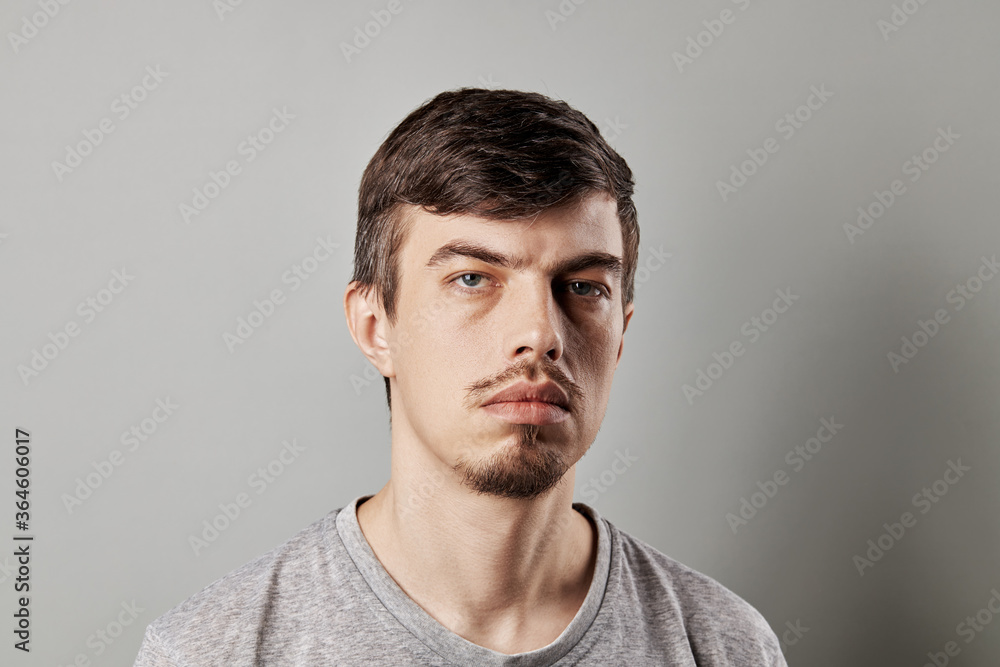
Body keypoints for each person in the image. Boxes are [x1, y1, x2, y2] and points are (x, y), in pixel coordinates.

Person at [133, 88, 787, 666]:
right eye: (472, 278)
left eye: (584, 286)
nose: (539, 333)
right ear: (374, 325)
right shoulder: (212, 651)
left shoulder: (726, 647)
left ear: (621, 336)